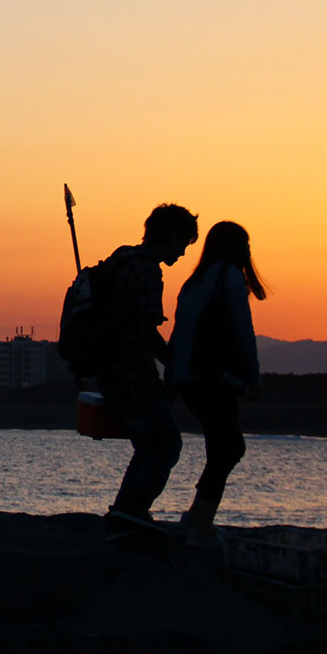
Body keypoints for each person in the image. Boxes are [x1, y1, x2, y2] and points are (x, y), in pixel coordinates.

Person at [97, 203, 200, 538]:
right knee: (167, 444)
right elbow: (144, 333)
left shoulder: (121, 258)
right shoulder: (147, 271)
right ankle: (132, 511)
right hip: (133, 374)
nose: (183, 252)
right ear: (170, 236)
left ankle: (125, 512)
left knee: (147, 445)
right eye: (183, 243)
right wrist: (175, 363)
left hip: (110, 372)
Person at [168, 221, 266, 546]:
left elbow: (180, 332)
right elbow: (243, 330)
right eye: (246, 244)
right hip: (215, 378)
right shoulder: (230, 277)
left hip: (190, 377)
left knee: (222, 446)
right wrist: (252, 375)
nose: (249, 251)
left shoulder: (194, 281)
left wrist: (173, 377)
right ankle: (199, 522)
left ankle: (198, 518)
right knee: (229, 447)